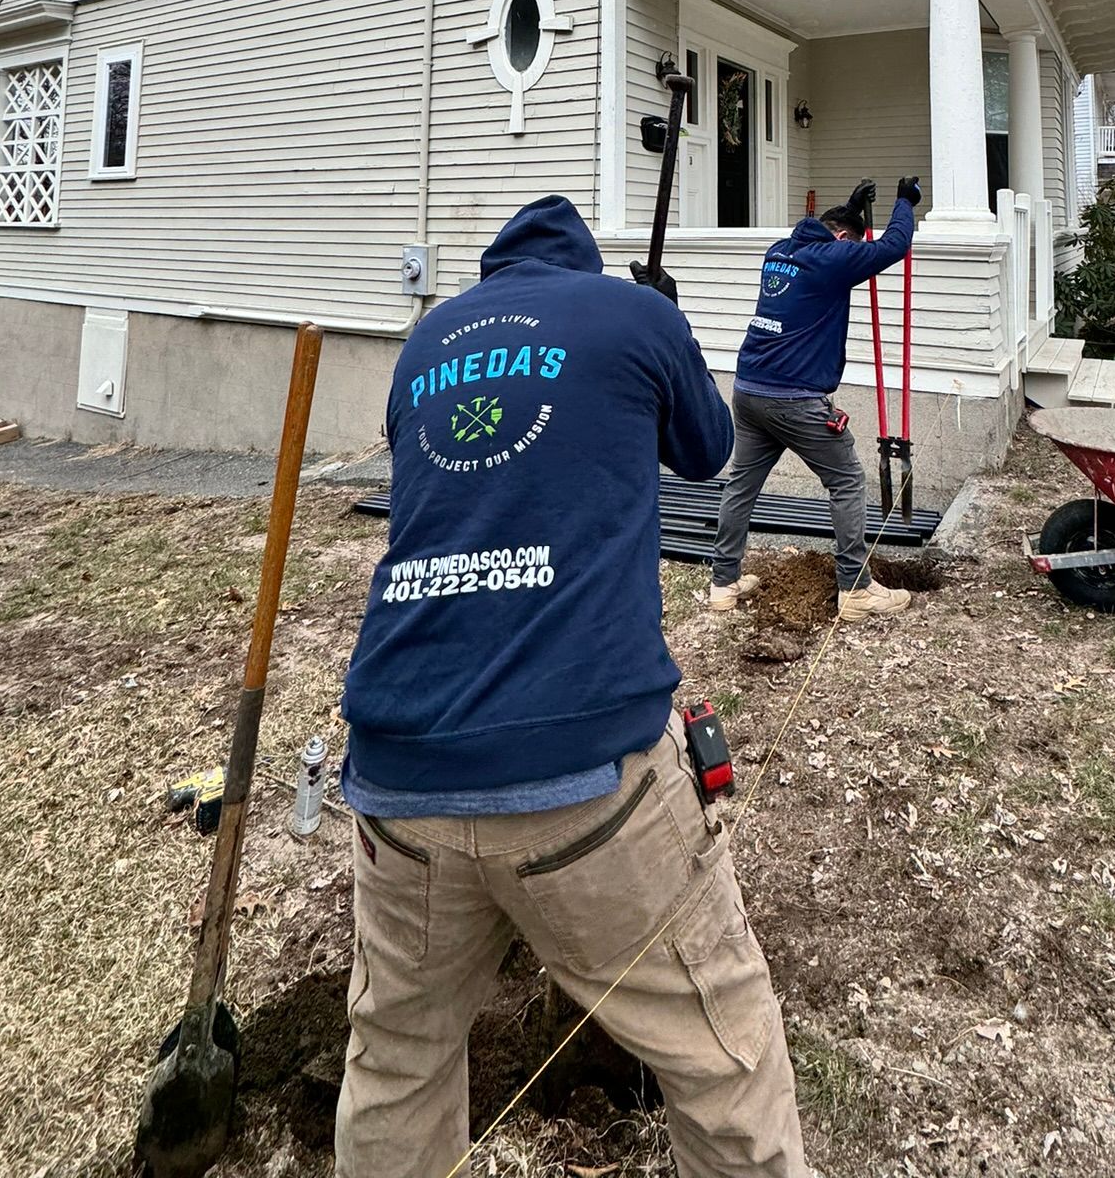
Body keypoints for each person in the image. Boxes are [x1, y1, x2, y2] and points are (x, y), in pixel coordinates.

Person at [335, 195, 808, 1178]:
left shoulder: (425, 343)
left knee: (397, 1060)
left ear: (493, 273)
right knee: (728, 1056)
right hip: (585, 778)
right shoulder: (634, 314)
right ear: (585, 265)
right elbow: (708, 448)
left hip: (395, 771)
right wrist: (667, 322)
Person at [711, 175, 922, 623]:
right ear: (843, 239)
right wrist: (904, 203)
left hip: (748, 389)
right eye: (848, 241)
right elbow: (893, 247)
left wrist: (849, 208)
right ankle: (856, 590)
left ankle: (723, 584)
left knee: (741, 485)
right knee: (846, 480)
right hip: (795, 399)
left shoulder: (780, 251)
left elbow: (827, 239)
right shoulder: (833, 258)